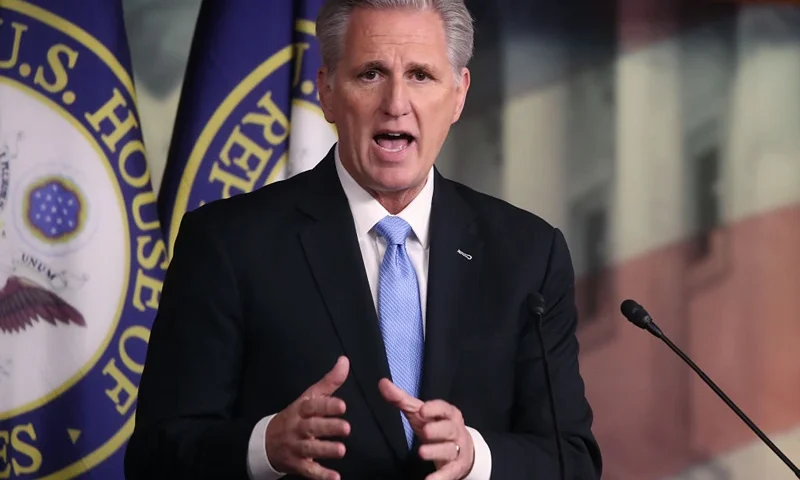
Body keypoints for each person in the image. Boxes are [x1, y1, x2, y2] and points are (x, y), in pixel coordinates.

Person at [124, 0, 603, 478]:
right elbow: (155, 457)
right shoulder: (226, 245)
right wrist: (264, 446)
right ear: (327, 91)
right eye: (371, 74)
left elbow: (573, 461)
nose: (396, 103)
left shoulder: (527, 255)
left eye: (420, 75)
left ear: (458, 95)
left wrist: (475, 456)